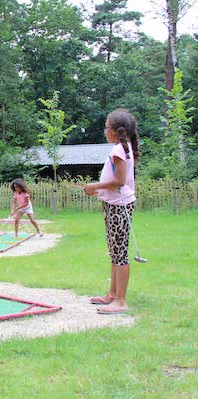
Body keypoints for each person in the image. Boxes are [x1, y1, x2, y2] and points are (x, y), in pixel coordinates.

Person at [81, 109, 140, 315]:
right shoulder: (123, 149)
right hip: (115, 205)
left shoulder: (118, 151)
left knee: (120, 253)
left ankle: (121, 301)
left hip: (119, 207)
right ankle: (113, 295)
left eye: (107, 127)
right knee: (115, 252)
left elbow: (119, 182)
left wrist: (94, 187)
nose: (104, 130)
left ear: (116, 131)